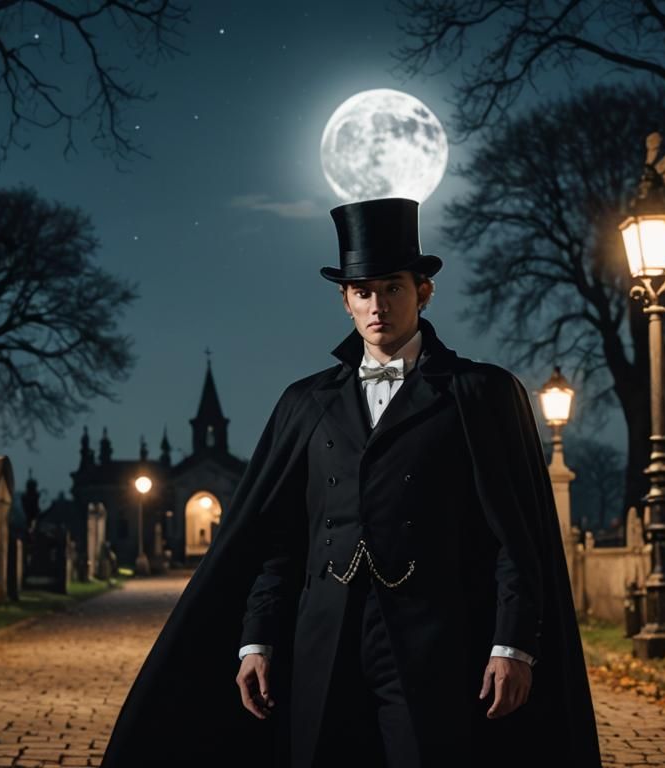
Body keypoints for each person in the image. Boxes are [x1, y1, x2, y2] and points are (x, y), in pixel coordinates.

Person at [103, 197, 600, 767]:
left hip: (434, 639)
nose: (378, 305)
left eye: (392, 287)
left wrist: (513, 645)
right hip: (320, 637)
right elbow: (278, 540)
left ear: (423, 291)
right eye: (363, 292)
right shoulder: (306, 403)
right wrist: (257, 640)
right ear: (345, 301)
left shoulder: (479, 395)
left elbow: (516, 538)